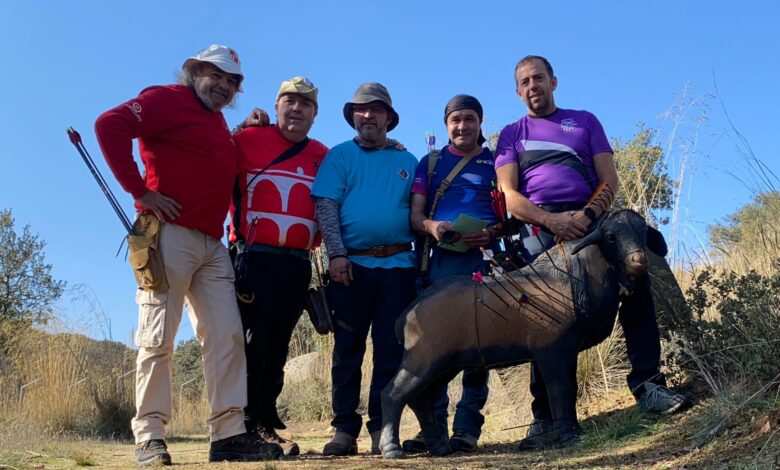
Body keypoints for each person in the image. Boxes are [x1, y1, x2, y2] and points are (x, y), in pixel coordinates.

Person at [94, 44, 281, 465]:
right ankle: (149, 435)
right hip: (168, 234)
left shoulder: (217, 123)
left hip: (212, 244)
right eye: (216, 75)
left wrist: (241, 130)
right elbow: (109, 124)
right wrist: (140, 191)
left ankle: (228, 434)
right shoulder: (165, 99)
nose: (224, 86)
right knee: (158, 334)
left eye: (232, 82)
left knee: (226, 336)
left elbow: (210, 159)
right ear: (194, 72)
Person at [494, 55, 686, 449]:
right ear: (517, 91)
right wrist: (552, 221)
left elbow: (609, 179)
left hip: (592, 222)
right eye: (524, 82)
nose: (532, 86)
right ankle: (545, 417)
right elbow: (509, 196)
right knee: (542, 317)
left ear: (553, 81)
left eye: (538, 78)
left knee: (634, 280)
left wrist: (586, 216)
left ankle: (649, 385)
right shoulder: (512, 134)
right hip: (539, 228)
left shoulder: (584, 122)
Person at [312, 82, 418, 455]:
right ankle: (344, 429)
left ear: (389, 118)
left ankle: (382, 427)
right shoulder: (339, 156)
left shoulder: (408, 161)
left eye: (376, 109)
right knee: (347, 351)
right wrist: (336, 255)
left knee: (390, 351)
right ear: (353, 117)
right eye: (361, 109)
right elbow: (326, 207)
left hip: (399, 267)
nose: (368, 115)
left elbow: (419, 211)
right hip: (351, 265)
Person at [229, 76, 328, 456]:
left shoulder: (322, 154)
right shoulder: (247, 139)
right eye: (290, 101)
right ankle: (241, 425)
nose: (297, 108)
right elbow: (212, 155)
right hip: (252, 258)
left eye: (306, 103)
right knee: (248, 344)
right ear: (276, 106)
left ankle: (264, 421)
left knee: (276, 346)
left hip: (296, 262)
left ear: (315, 114)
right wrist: (240, 125)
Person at [403, 95, 497, 453]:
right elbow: (416, 216)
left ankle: (467, 429)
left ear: (480, 122)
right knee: (436, 346)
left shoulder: (496, 162)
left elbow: (510, 213)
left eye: (469, 118)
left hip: (484, 263)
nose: (462, 126)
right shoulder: (430, 164)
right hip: (439, 263)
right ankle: (433, 429)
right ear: (446, 125)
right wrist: (433, 227)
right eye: (455, 120)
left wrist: (492, 232)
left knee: (480, 346)